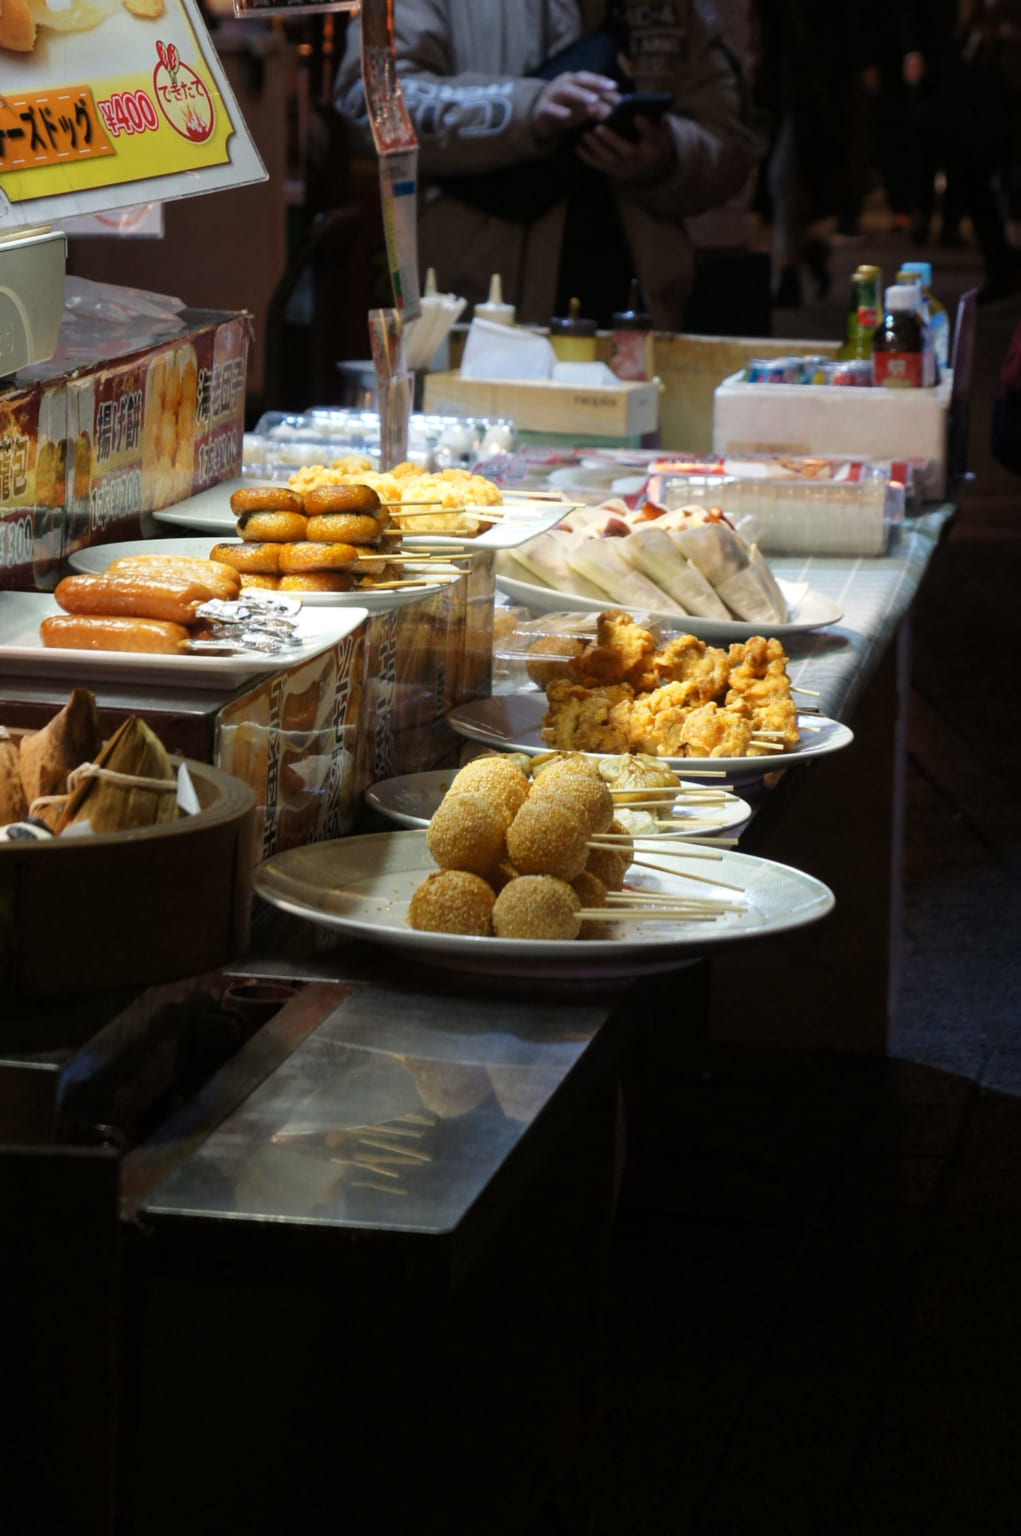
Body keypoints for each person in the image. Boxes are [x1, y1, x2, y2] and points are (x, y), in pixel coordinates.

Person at [333, 0, 759, 329]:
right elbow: (368, 100)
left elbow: (732, 140)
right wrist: (524, 110)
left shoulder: (669, 9)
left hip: (639, 316)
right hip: (479, 319)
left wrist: (668, 154)